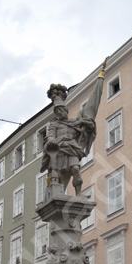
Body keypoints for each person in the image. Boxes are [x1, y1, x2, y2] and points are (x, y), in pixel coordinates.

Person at [41, 60, 106, 196]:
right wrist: (51, 140)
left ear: (66, 111)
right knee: (58, 174)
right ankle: (56, 194)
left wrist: (89, 125)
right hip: (60, 150)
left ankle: (78, 193)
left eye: (62, 110)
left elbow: (85, 127)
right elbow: (50, 135)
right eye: (57, 111)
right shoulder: (55, 125)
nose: (60, 113)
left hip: (72, 148)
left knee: (76, 169)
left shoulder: (74, 123)